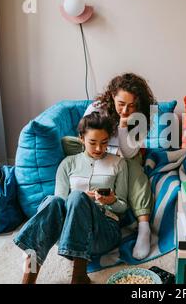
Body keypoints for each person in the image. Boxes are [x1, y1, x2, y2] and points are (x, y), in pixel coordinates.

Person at [14, 112, 128, 284]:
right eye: (93, 142)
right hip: (69, 235)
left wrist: (110, 201)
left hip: (104, 232)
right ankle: (28, 279)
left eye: (104, 143)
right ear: (81, 138)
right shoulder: (68, 163)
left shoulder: (118, 163)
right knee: (53, 201)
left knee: (76, 196)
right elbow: (59, 206)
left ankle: (78, 276)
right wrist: (82, 199)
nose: (99, 148)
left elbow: (123, 207)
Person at [65, 72, 156, 260]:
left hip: (124, 154)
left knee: (133, 167)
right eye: (121, 104)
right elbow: (86, 135)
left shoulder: (140, 116)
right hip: (97, 150)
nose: (125, 110)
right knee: (68, 143)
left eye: (131, 106)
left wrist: (123, 126)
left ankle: (144, 228)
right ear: (112, 96)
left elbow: (130, 153)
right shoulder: (96, 108)